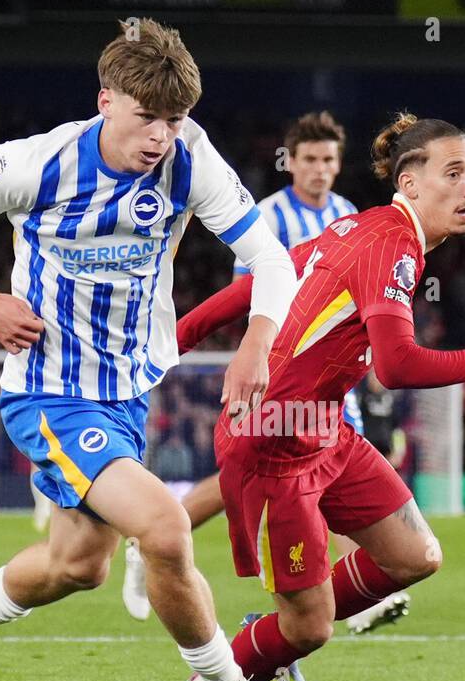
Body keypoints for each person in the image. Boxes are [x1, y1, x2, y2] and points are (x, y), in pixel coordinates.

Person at [0, 18, 303, 681]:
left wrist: (259, 338)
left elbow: (271, 258)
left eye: (175, 120)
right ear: (105, 101)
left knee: (79, 566)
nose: (160, 136)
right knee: (163, 528)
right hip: (48, 389)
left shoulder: (191, 160)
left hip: (125, 392)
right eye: (146, 118)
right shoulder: (39, 163)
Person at [170, 112, 465, 681]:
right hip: (271, 446)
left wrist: (175, 338)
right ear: (408, 183)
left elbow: (265, 280)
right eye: (454, 173)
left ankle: (268, 633)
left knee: (415, 556)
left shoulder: (357, 227)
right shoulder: (390, 245)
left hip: (324, 430)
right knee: (311, 628)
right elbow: (398, 367)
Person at [122, 112, 410, 633]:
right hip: (280, 370)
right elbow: (250, 294)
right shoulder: (270, 217)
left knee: (327, 471)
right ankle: (155, 538)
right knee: (251, 477)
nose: (320, 169)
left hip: (332, 374)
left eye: (329, 160)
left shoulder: (347, 212)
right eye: (310, 160)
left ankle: (348, 595)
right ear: (291, 162)